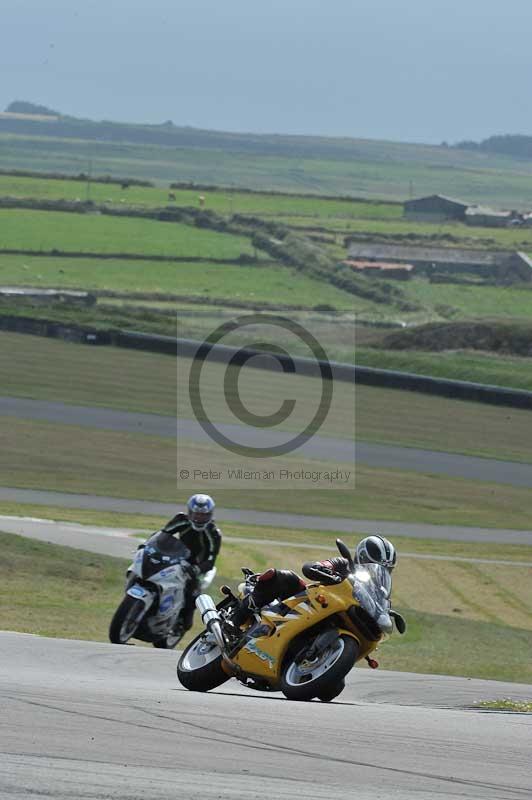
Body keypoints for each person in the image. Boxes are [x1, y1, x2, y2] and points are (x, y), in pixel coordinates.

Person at [233, 535, 397, 626]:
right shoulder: (343, 564)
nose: (379, 572)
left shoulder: (378, 591)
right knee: (286, 578)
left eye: (386, 570)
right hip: (309, 602)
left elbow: (381, 608)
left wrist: (387, 613)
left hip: (338, 619)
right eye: (375, 565)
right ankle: (236, 620)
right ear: (362, 557)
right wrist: (322, 569)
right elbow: (314, 566)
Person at [162, 493, 222, 633]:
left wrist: (196, 569)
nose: (199, 518)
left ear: (210, 515)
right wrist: (149, 547)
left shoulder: (213, 533)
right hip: (177, 558)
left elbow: (211, 560)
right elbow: (164, 534)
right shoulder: (181, 520)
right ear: (190, 512)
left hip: (199, 567)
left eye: (203, 515)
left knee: (192, 592)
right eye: (196, 514)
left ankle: (184, 623)